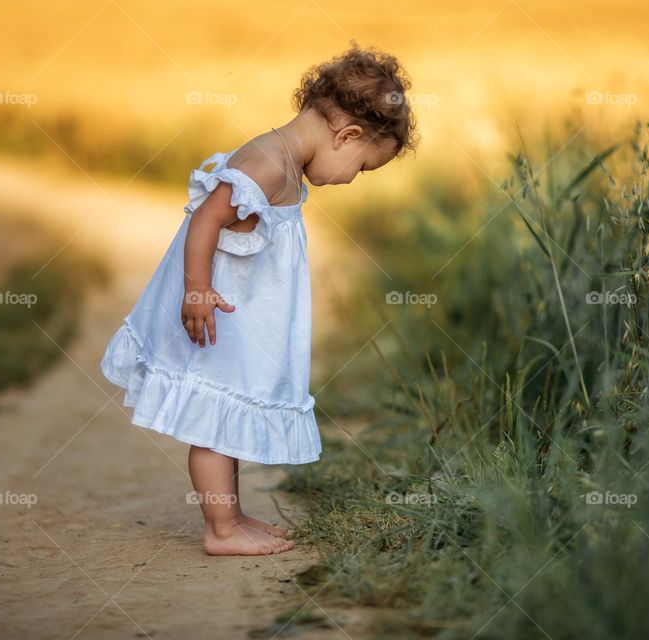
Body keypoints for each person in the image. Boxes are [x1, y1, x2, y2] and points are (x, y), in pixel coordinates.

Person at [100, 42, 419, 555]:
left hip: (240, 313)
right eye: (362, 168)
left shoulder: (285, 161)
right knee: (211, 414)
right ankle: (220, 530)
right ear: (347, 135)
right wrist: (197, 289)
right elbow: (205, 219)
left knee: (227, 410)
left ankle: (234, 515)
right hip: (218, 310)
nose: (353, 180)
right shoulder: (267, 165)